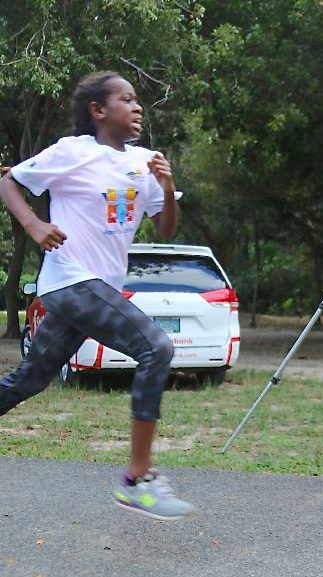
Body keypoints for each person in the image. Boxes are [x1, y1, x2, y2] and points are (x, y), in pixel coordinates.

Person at [0, 70, 195, 520]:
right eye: (126, 99)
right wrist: (34, 226)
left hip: (97, 289)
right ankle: (137, 480)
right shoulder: (74, 152)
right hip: (69, 280)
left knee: (27, 381)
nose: (137, 107)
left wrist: (166, 189)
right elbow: (10, 182)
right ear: (98, 111)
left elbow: (164, 226)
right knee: (156, 347)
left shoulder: (146, 161)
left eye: (137, 100)